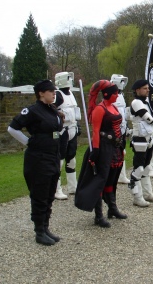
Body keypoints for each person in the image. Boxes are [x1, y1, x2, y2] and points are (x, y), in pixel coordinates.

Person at [7, 79, 63, 246]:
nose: (54, 93)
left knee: (49, 193)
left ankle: (46, 227)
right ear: (41, 93)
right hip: (38, 159)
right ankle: (39, 231)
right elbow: (12, 128)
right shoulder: (32, 111)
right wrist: (28, 142)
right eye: (51, 91)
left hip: (52, 156)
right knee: (39, 194)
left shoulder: (52, 109)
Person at [75, 80, 127, 228]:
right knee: (100, 180)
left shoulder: (114, 107)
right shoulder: (100, 109)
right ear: (107, 94)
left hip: (115, 147)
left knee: (112, 178)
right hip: (103, 147)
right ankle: (98, 216)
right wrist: (96, 151)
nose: (117, 95)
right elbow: (96, 131)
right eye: (115, 93)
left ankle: (112, 208)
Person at [128, 79, 153, 207]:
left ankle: (147, 193)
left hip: (148, 137)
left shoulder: (146, 102)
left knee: (147, 167)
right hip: (140, 139)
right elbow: (149, 119)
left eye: (148, 88)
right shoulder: (136, 102)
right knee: (139, 168)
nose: (148, 90)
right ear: (137, 90)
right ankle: (137, 196)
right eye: (145, 88)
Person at [54, 72, 81, 200]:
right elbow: (50, 109)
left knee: (72, 159)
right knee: (59, 160)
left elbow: (76, 111)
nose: (70, 80)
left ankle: (72, 187)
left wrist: (78, 126)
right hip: (62, 130)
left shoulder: (71, 94)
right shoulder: (58, 95)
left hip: (73, 128)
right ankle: (56, 189)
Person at [110, 74, 132, 184]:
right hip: (114, 128)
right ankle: (112, 175)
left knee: (122, 151)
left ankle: (121, 175)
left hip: (122, 127)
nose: (123, 84)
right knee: (113, 152)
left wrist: (126, 126)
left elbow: (123, 113)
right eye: (121, 81)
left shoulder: (121, 95)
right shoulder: (110, 95)